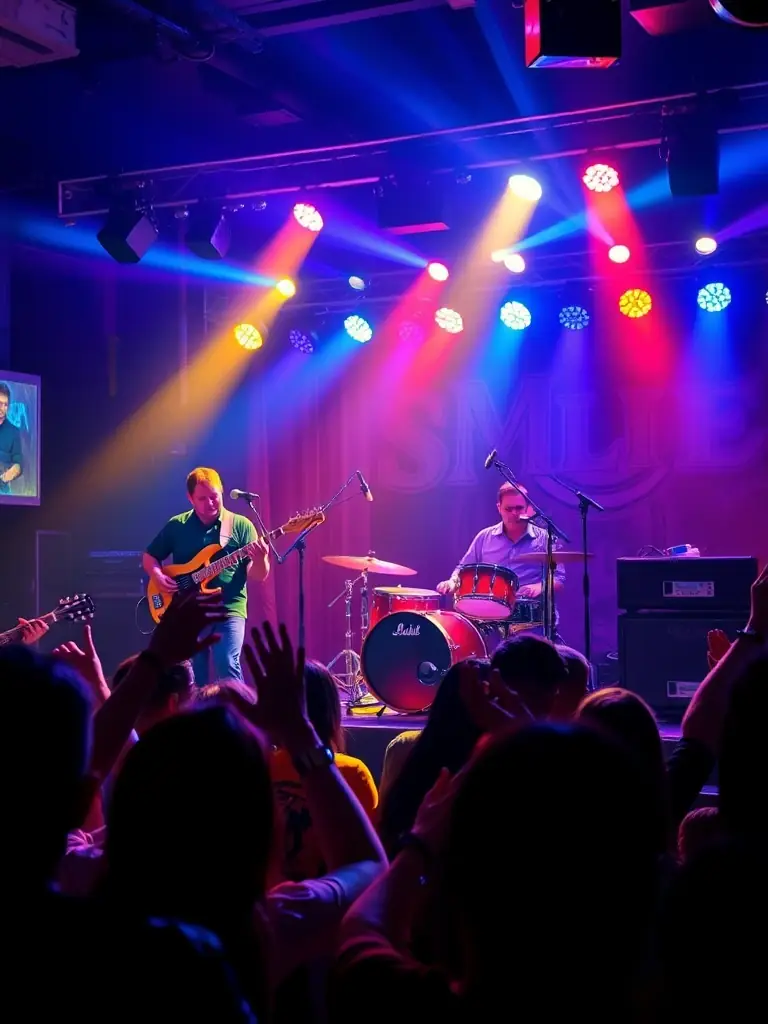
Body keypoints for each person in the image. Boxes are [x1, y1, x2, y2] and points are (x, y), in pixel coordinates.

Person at [143, 467, 270, 685]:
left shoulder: (241, 526)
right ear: (190, 498)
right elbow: (149, 556)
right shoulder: (177, 525)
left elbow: (259, 575)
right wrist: (156, 573)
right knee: (192, 674)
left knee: (228, 663)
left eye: (215, 497)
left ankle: (235, 715)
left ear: (222, 492)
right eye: (203, 498)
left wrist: (261, 558)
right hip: (188, 610)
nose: (210, 503)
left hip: (229, 608)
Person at [437, 482, 565, 602]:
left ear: (527, 508)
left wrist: (540, 587)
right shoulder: (484, 537)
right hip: (491, 611)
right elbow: (464, 568)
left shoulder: (545, 539)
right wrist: (452, 582)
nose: (514, 513)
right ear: (499, 508)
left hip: (531, 615)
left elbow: (558, 579)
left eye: (519, 508)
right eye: (508, 509)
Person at [0, 382, 22, 494]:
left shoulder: (13, 432)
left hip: (2, 490)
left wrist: (10, 474)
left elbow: (18, 464)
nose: (2, 408)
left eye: (5, 404)